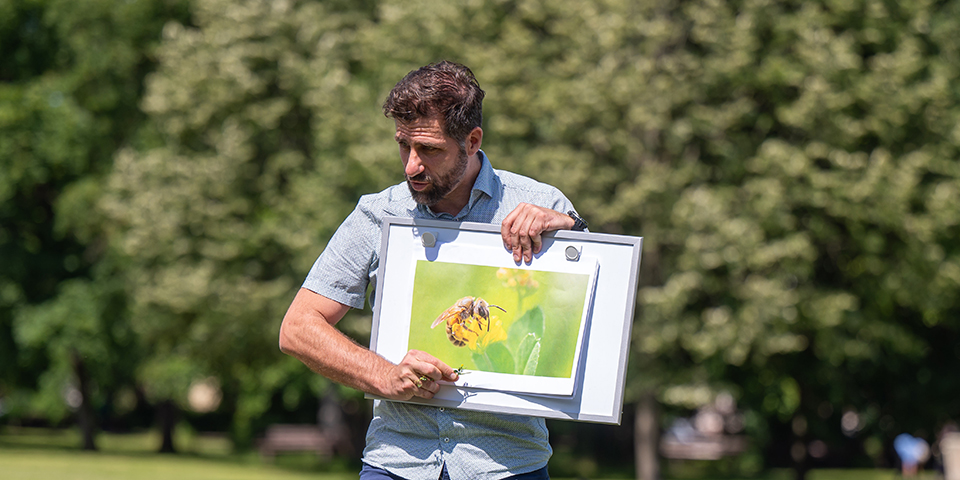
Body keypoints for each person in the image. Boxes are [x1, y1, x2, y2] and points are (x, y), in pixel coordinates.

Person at [278, 60, 587, 480]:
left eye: (430, 149)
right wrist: (385, 375)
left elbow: (596, 315)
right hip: (396, 463)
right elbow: (297, 328)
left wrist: (572, 232)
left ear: (472, 140)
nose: (410, 166)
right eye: (404, 145)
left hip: (508, 466)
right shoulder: (378, 213)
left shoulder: (541, 203)